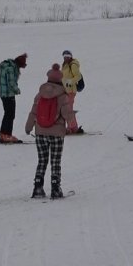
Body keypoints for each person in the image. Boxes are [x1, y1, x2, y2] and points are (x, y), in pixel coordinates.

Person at [25, 64, 77, 199]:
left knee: (42, 160)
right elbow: (67, 114)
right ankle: (55, 188)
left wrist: (28, 127)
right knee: (55, 161)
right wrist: (72, 125)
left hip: (40, 133)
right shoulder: (62, 95)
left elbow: (33, 112)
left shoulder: (39, 95)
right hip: (57, 134)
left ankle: (37, 187)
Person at [0, 53, 27, 143]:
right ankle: (7, 135)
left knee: (7, 114)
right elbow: (11, 82)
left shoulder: (8, 66)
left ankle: (3, 134)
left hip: (4, 94)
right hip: (8, 94)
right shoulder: (11, 69)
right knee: (10, 115)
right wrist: (17, 90)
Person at [60, 50, 83, 133]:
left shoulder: (73, 65)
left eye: (67, 56)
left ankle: (73, 128)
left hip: (71, 91)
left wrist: (70, 82)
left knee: (68, 109)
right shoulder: (65, 65)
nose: (65, 58)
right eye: (64, 57)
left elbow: (78, 76)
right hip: (66, 91)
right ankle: (72, 127)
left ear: (70, 56)